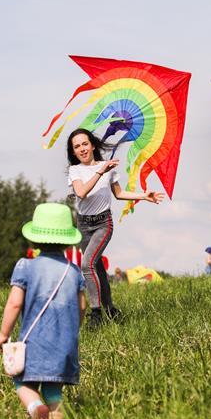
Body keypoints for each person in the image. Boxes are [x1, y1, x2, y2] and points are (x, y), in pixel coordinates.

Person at [0, 203, 86, 419]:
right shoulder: (74, 271)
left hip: (35, 343)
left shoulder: (26, 266)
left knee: (21, 382)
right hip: (64, 345)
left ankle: (36, 409)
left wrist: (4, 334)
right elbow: (82, 306)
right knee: (53, 389)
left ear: (34, 239)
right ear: (67, 241)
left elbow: (15, 303)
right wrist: (73, 329)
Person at [67, 128, 164, 327]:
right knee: (97, 267)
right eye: (77, 147)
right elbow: (81, 192)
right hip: (84, 224)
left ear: (93, 145)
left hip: (103, 223)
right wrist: (99, 171)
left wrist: (143, 196)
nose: (82, 149)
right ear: (74, 152)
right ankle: (110, 309)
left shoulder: (107, 168)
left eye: (85, 144)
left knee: (87, 265)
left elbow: (119, 194)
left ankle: (96, 314)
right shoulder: (75, 170)